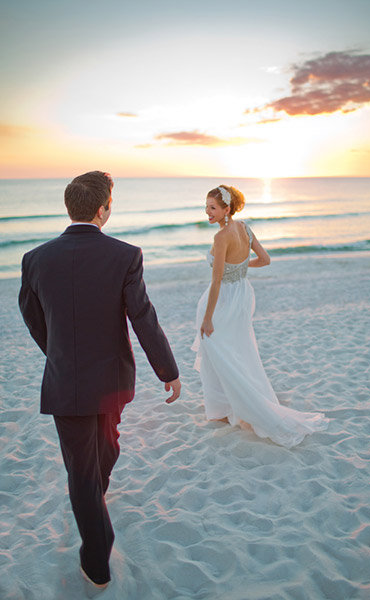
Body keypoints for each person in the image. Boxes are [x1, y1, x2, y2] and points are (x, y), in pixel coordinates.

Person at [18, 171, 181, 590]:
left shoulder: (35, 258)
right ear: (103, 209)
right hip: (110, 381)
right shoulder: (125, 255)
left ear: (70, 207)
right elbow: (143, 318)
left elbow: (33, 320)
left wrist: (57, 354)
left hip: (69, 381)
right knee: (87, 470)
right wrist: (168, 371)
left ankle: (92, 498)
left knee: (100, 456)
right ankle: (97, 558)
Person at [192, 185, 328, 448]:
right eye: (206, 206)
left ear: (226, 209)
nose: (207, 212)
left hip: (224, 301)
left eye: (212, 207)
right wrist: (240, 268)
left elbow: (217, 281)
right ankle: (227, 403)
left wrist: (207, 318)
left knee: (219, 350)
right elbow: (265, 259)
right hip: (242, 295)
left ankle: (228, 407)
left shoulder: (221, 238)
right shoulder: (244, 227)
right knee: (237, 350)